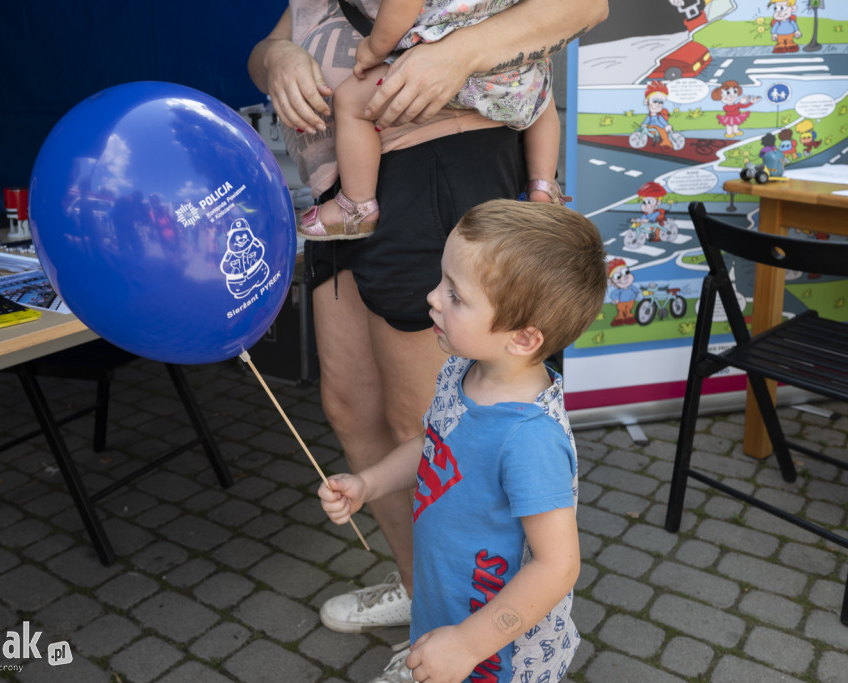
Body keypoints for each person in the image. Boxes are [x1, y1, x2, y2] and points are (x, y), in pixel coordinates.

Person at [248, 0, 608, 649]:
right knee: (352, 410)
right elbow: (273, 40)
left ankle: (465, 637)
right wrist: (276, 60)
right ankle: (426, 599)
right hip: (342, 194)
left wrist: (461, 52)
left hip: (439, 168)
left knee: (437, 428)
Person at [319, 200, 607, 682]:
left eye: (455, 295)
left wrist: (468, 644)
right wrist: (369, 483)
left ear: (522, 339)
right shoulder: (461, 369)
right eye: (441, 281)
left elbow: (558, 567)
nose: (432, 297)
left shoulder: (529, 439)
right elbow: (433, 445)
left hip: (498, 651)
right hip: (447, 604)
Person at [297, 0, 565, 241]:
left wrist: (373, 48)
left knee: (350, 101)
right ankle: (542, 185)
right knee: (542, 99)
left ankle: (357, 205)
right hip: (509, 63)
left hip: (441, 63)